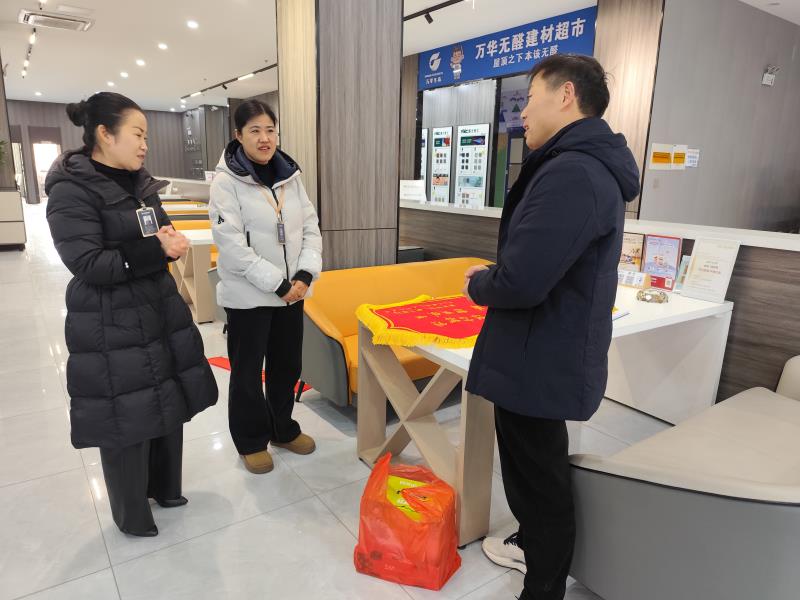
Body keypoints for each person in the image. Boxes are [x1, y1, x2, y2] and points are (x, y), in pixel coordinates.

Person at [463, 55, 640, 599]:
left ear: (566, 96)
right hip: (540, 349)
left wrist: (480, 283)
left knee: (539, 480)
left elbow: (523, 280)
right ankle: (534, 550)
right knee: (531, 468)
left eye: (530, 99)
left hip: (539, 355)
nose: (522, 114)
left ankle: (544, 585)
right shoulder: (578, 165)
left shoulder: (573, 173)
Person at [46, 92, 219, 537]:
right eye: (137, 134)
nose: (145, 144)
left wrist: (169, 241)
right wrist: (157, 250)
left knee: (166, 401)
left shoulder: (140, 183)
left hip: (156, 307)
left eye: (146, 136)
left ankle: (165, 488)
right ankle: (132, 514)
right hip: (111, 319)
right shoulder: (71, 190)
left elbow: (158, 232)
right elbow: (87, 263)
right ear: (105, 134)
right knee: (126, 417)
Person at [209, 100, 322, 475]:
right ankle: (251, 441)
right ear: (238, 136)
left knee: (286, 367)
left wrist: (304, 275)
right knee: (246, 374)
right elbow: (231, 245)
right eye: (254, 130)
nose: (264, 138)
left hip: (292, 295)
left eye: (270, 130)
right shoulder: (226, 182)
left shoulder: (291, 177)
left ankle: (282, 429)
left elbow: (310, 228)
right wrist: (278, 284)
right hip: (249, 298)